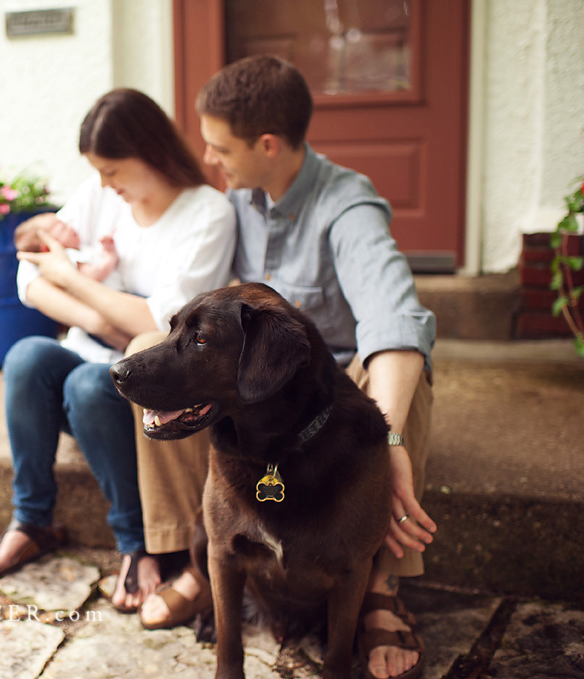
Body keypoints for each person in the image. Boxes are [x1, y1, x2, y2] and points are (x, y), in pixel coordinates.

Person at [131, 56, 437, 679]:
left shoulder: (348, 207)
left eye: (220, 147)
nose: (211, 161)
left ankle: (379, 582)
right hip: (250, 394)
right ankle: (194, 557)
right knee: (151, 351)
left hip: (330, 399)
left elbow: (395, 321)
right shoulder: (231, 203)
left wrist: (393, 438)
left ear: (267, 144)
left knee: (407, 372)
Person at [0, 88, 237, 614]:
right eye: (98, 171)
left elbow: (162, 321)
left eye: (112, 170)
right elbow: (29, 272)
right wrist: (97, 318)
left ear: (152, 152)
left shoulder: (207, 215)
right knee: (27, 356)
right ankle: (32, 519)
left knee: (90, 384)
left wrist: (71, 279)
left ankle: (137, 545)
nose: (102, 183)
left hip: (149, 383)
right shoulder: (103, 196)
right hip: (94, 350)